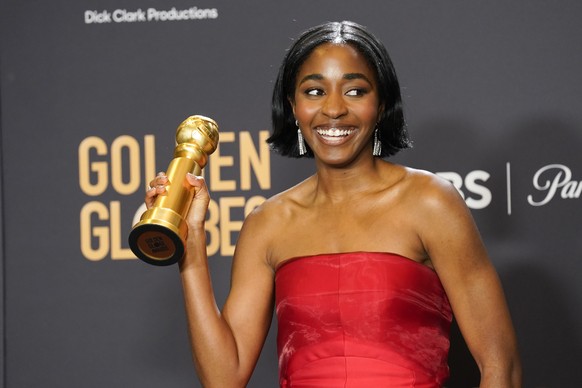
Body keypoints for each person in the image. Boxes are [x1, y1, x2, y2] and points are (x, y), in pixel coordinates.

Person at [146, 20, 521, 387]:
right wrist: (189, 242)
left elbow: (501, 368)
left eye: (355, 91)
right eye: (314, 91)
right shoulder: (268, 223)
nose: (334, 109)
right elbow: (223, 378)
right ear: (293, 106)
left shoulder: (430, 203)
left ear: (382, 103)